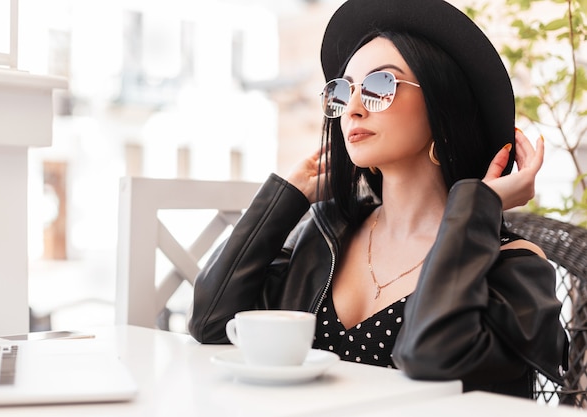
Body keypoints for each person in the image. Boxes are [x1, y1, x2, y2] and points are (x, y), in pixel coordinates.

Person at [187, 0, 568, 398]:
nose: (351, 108)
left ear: (442, 104)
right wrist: (287, 197)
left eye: (380, 86)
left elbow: (430, 358)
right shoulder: (324, 234)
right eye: (343, 90)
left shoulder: (512, 266)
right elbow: (210, 324)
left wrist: (477, 209)